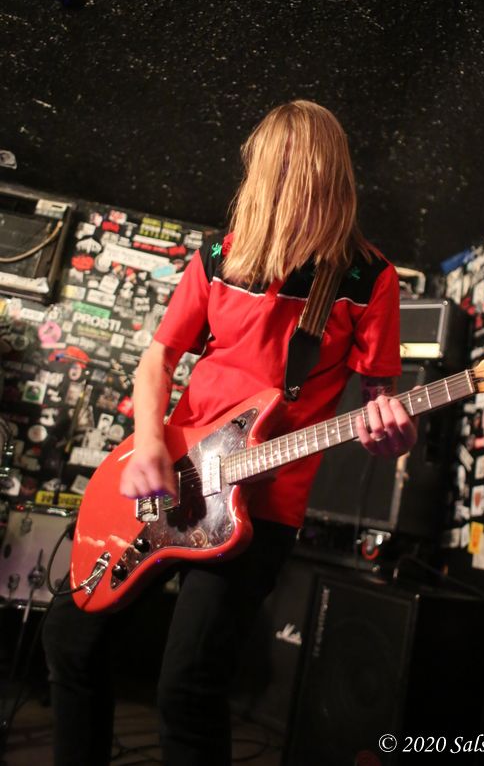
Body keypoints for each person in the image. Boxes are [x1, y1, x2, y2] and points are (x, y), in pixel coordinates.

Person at [42, 100, 417, 766]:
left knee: (188, 691)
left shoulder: (368, 278)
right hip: (171, 475)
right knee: (71, 639)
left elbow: (380, 401)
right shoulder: (221, 255)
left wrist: (392, 434)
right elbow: (158, 358)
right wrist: (150, 445)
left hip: (259, 508)